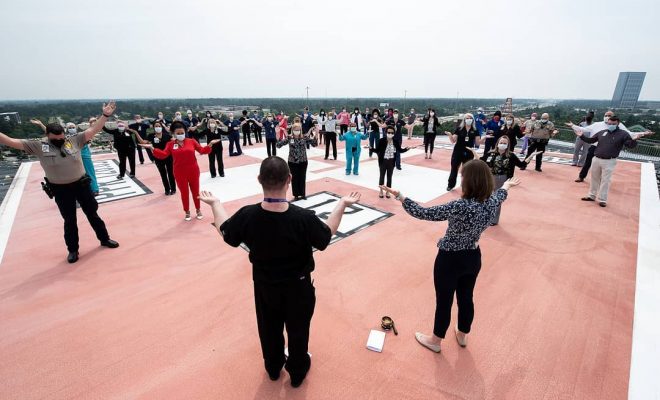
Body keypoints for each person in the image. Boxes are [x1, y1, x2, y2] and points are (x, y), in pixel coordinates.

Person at [198, 156, 361, 388]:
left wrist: (215, 204)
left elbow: (226, 232)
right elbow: (326, 235)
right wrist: (341, 205)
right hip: (299, 286)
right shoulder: (303, 218)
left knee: (269, 329)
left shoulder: (247, 216)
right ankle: (297, 372)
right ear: (290, 180)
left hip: (265, 286)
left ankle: (273, 368)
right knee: (298, 330)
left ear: (259, 180)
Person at [379, 162, 521, 353]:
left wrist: (400, 196)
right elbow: (501, 195)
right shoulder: (491, 202)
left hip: (449, 259)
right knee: (466, 297)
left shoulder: (460, 206)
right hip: (473, 256)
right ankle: (462, 334)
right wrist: (507, 185)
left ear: (468, 181)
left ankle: (435, 341)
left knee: (444, 300)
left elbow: (424, 213)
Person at [1, 102, 120, 263]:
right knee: (70, 220)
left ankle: (104, 239)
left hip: (81, 185)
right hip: (61, 190)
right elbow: (10, 141)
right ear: (48, 136)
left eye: (61, 138)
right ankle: (73, 250)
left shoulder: (74, 140)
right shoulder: (38, 146)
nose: (59, 141)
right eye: (55, 139)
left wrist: (105, 115)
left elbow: (93, 130)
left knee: (93, 214)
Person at [140, 121, 220, 220]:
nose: (180, 135)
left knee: (196, 192)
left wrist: (210, 144)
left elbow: (202, 151)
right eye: (178, 133)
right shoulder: (170, 144)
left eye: (182, 133)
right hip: (179, 173)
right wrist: (152, 148)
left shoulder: (192, 141)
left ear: (185, 132)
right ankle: (187, 211)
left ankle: (198, 209)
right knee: (184, 193)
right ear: (173, 134)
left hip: (193, 171)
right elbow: (163, 155)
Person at [565, 110, 650, 182]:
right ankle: (581, 177)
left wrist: (643, 134)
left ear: (613, 117)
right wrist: (573, 126)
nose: (607, 117)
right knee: (588, 162)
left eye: (609, 115)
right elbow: (584, 129)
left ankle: (601, 180)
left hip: (607, 148)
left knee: (604, 165)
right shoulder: (597, 124)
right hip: (594, 146)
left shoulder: (619, 125)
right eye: (606, 115)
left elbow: (629, 134)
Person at [576, 116, 641, 207]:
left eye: (613, 124)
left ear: (618, 123)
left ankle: (602, 199)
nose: (611, 125)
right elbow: (591, 140)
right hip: (596, 159)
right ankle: (591, 196)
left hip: (609, 161)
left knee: (605, 180)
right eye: (609, 124)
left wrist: (634, 140)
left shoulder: (623, 134)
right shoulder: (602, 132)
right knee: (594, 178)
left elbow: (629, 145)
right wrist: (581, 136)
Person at [480, 136, 540, 224]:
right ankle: (484, 216)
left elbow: (522, 165)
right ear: (497, 143)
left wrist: (531, 156)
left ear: (508, 145)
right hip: (490, 177)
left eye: (505, 143)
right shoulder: (491, 153)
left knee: (496, 198)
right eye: (501, 142)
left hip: (503, 179)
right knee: (486, 197)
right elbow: (482, 161)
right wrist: (473, 153)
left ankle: (494, 220)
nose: (502, 144)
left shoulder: (511, 155)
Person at [444, 113, 489, 191]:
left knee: (467, 170)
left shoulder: (475, 130)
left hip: (469, 152)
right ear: (464, 120)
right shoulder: (459, 129)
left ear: (472, 120)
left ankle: (465, 185)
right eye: (467, 118)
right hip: (458, 151)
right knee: (454, 168)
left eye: (470, 118)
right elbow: (453, 141)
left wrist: (484, 137)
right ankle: (451, 185)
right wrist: (450, 135)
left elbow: (478, 142)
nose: (469, 120)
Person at [135, 120, 176, 195]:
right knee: (163, 174)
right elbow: (143, 142)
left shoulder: (166, 135)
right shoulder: (151, 136)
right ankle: (167, 189)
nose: (158, 127)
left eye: (159, 126)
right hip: (158, 158)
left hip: (168, 157)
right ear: (153, 128)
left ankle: (173, 189)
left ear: (161, 127)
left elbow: (174, 141)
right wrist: (136, 133)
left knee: (170, 173)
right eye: (156, 126)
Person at [276, 123, 316, 200]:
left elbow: (314, 144)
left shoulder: (304, 137)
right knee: (294, 178)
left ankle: (303, 194)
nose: (296, 131)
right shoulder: (289, 138)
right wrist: (277, 133)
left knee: (302, 177)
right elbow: (278, 145)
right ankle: (296, 195)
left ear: (300, 130)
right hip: (292, 162)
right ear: (292, 130)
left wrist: (316, 133)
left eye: (298, 130)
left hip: (303, 161)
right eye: (295, 130)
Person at [371, 126, 410, 198]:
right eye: (388, 132)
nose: (390, 134)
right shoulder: (381, 140)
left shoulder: (395, 141)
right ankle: (381, 191)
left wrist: (406, 149)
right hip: (383, 161)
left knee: (389, 177)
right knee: (382, 176)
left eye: (392, 133)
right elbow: (377, 150)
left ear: (394, 133)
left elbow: (400, 150)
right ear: (386, 133)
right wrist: (371, 148)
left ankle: (388, 192)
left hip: (391, 162)